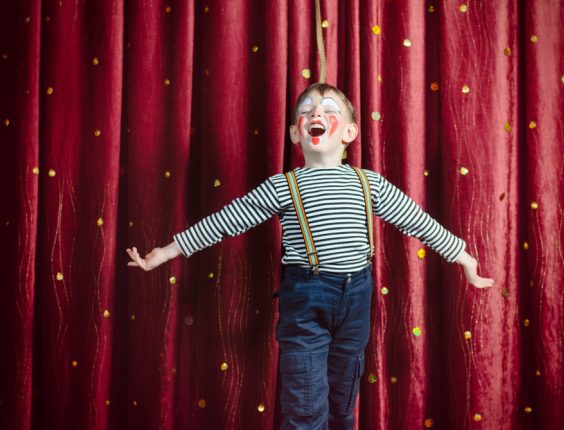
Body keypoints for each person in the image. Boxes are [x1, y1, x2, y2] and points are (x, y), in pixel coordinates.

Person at [127, 82, 495, 429]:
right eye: (307, 111)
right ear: (295, 133)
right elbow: (224, 221)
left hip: (356, 298)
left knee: (342, 399)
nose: (316, 114)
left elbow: (417, 221)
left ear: (349, 133)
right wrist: (164, 252)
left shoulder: (370, 183)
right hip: (305, 299)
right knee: (305, 403)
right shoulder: (282, 186)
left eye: (329, 109)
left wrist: (463, 257)